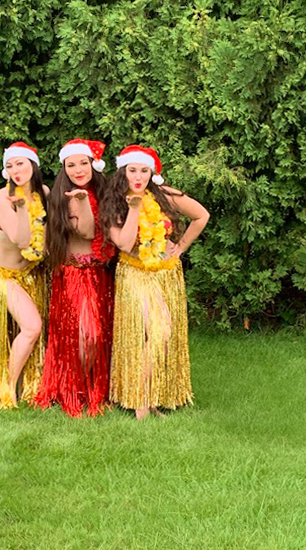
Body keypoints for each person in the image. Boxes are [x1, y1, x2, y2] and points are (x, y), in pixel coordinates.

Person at [103, 145, 209, 420]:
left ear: (152, 173)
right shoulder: (114, 203)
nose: (138, 177)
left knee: (159, 335)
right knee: (157, 331)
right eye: (132, 170)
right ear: (123, 172)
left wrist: (181, 246)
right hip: (135, 273)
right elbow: (125, 244)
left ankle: (150, 399)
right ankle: (141, 400)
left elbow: (201, 215)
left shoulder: (165, 196)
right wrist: (135, 209)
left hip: (166, 273)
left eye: (144, 170)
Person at [34, 139, 116, 417]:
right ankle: (73, 390)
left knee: (99, 336)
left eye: (84, 163)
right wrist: (80, 203)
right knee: (84, 336)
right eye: (71, 165)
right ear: (64, 168)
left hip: (99, 275)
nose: (78, 170)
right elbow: (87, 234)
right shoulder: (62, 197)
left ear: (94, 165)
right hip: (73, 276)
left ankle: (92, 388)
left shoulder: (104, 193)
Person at [0, 141, 49, 409]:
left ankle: (31, 384)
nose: (16, 169)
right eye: (10, 165)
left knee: (30, 329)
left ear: (32, 165)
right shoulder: (1, 198)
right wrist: (19, 209)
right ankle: (6, 389)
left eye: (20, 163)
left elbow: (45, 238)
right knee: (32, 327)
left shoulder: (43, 193)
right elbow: (20, 239)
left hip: (28, 273)